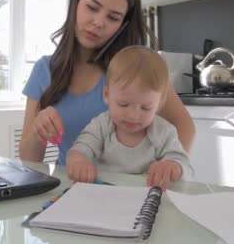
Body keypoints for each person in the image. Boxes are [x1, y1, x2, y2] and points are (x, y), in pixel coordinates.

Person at [20, 0, 195, 165]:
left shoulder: (134, 68)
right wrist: (38, 129)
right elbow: (29, 159)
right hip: (72, 188)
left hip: (129, 190)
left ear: (123, 25)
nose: (98, 22)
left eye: (113, 17)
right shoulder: (44, 70)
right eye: (92, 7)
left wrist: (170, 167)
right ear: (76, 2)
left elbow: (185, 126)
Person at [66, 46, 193, 188]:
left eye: (145, 108)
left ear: (159, 104)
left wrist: (174, 167)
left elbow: (185, 166)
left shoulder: (164, 131)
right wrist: (78, 161)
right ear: (107, 95)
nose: (133, 116)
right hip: (105, 197)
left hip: (147, 201)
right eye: (123, 104)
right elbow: (82, 147)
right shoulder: (101, 125)